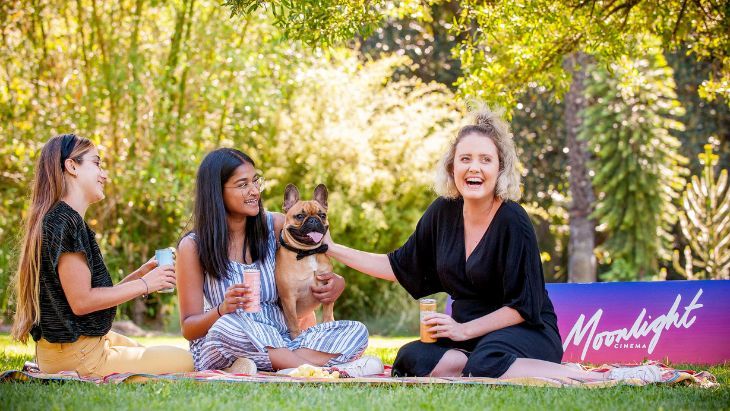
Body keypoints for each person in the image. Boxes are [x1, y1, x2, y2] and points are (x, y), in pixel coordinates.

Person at [323, 108, 663, 382]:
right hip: (467, 337)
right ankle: (465, 366)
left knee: (487, 359)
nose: (474, 167)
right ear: (452, 166)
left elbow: (523, 306)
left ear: (500, 169)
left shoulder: (514, 221)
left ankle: (579, 377)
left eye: (485, 160)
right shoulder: (442, 213)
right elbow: (398, 265)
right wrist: (330, 247)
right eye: (465, 158)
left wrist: (462, 330)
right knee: (411, 357)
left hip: (524, 331)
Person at [176, 148, 381, 376]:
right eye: (243, 185)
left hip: (282, 337)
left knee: (356, 330)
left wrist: (337, 283)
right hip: (228, 339)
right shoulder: (193, 246)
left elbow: (323, 251)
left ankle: (278, 366)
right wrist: (222, 310)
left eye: (255, 181)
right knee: (229, 325)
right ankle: (318, 369)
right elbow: (189, 328)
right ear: (216, 191)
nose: (255, 191)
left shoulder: (276, 226)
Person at [11, 134, 193, 377]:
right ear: (72, 166)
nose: (104, 175)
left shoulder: (62, 219)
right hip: (79, 357)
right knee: (185, 360)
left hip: (73, 349)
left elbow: (88, 300)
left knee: (150, 351)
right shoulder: (65, 221)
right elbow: (82, 302)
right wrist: (145, 284)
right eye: (96, 163)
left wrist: (139, 275)